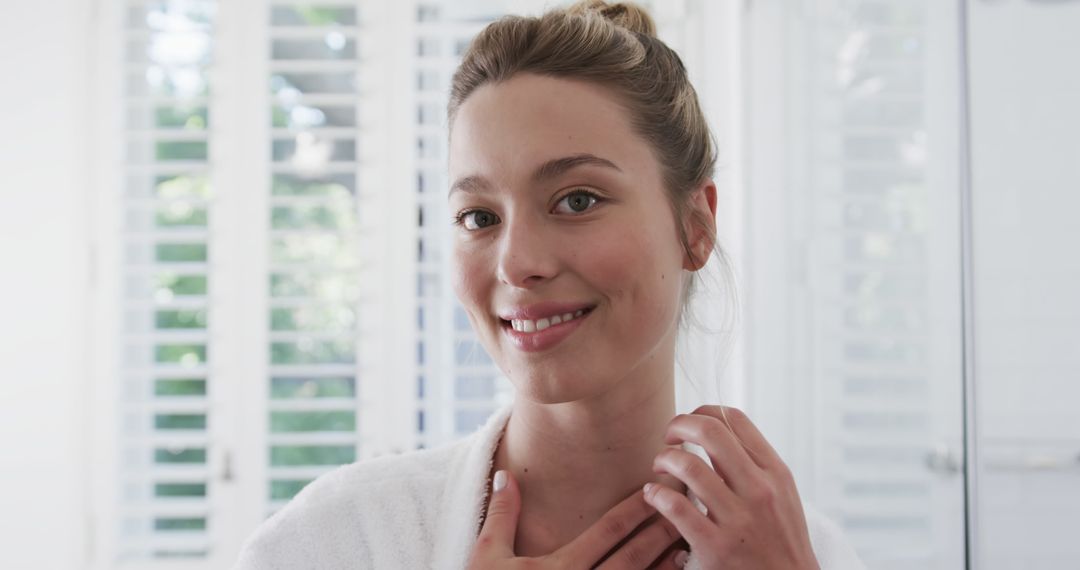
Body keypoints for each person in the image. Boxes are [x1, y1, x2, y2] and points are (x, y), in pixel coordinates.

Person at [235, 2, 865, 568]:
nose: (517, 263)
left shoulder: (805, 555)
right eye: (480, 217)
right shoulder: (334, 542)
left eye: (577, 199)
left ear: (695, 227)